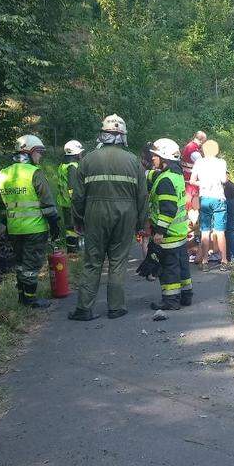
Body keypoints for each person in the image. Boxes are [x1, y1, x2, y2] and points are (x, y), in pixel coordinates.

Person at [68, 115, 147, 322]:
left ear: (103, 134)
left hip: (94, 214)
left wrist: (77, 220)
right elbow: (142, 196)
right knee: (118, 261)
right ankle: (116, 308)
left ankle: (84, 309)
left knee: (92, 262)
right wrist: (141, 224)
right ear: (123, 136)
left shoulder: (87, 160)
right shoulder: (134, 162)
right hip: (126, 214)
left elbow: (77, 196)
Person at [0, 134, 60, 308]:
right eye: (39, 152)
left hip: (14, 229)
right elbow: (47, 205)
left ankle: (21, 296)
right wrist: (54, 225)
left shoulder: (2, 174)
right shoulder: (35, 173)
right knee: (32, 265)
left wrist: (7, 226)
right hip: (35, 228)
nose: (40, 156)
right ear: (30, 152)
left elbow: (3, 207)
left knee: (20, 263)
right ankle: (30, 299)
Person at [145, 138, 193, 310]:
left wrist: (159, 232)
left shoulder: (165, 180)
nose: (152, 159)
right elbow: (154, 175)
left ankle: (171, 301)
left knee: (169, 269)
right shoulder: (176, 174)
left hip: (168, 234)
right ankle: (186, 296)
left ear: (164, 157)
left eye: (155, 156)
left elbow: (168, 210)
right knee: (182, 267)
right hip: (179, 233)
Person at [191, 139, 229, 270]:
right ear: (216, 150)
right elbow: (224, 180)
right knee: (220, 231)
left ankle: (205, 261)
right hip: (219, 198)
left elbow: (192, 180)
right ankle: (224, 260)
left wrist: (203, 183)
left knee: (205, 231)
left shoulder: (199, 162)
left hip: (205, 198)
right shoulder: (221, 162)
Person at [58, 139, 84, 252]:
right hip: (71, 203)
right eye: (80, 153)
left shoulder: (63, 165)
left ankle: (71, 249)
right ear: (77, 153)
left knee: (70, 228)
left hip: (65, 202)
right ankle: (74, 250)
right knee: (75, 227)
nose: (81, 155)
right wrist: (77, 202)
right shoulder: (72, 167)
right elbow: (72, 187)